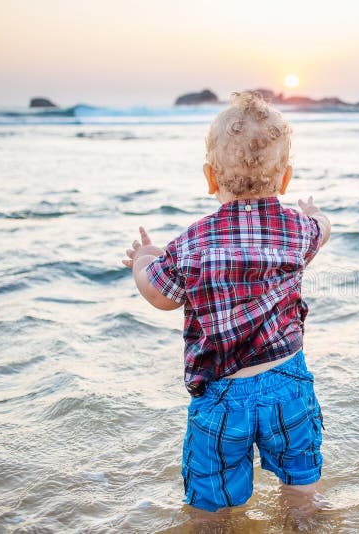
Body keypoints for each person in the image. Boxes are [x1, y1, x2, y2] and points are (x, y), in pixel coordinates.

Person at [121, 91, 330, 513]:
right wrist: (314, 212)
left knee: (211, 502)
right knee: (301, 487)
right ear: (285, 179)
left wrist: (144, 261)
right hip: (287, 384)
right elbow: (323, 229)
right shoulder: (297, 230)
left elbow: (161, 295)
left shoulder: (192, 243)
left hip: (222, 393)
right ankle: (304, 518)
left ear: (210, 178)